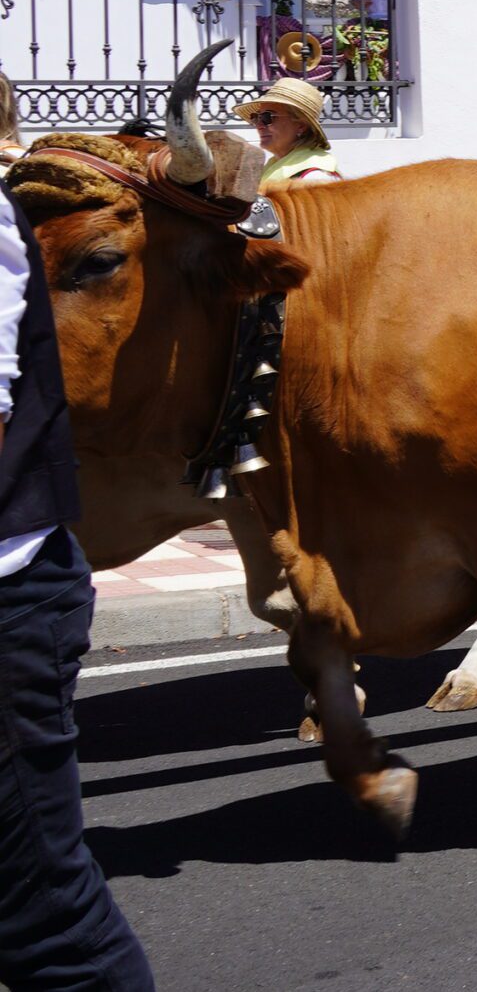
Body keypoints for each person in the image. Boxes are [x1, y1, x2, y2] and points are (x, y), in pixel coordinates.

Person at [0, 180, 158, 987]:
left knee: (46, 926)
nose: (267, 126)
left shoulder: (304, 174)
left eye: (277, 118)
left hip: (11, 580)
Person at [234, 77, 342, 187]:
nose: (259, 125)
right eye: (256, 117)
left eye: (267, 117)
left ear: (301, 125)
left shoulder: (315, 177)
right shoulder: (273, 167)